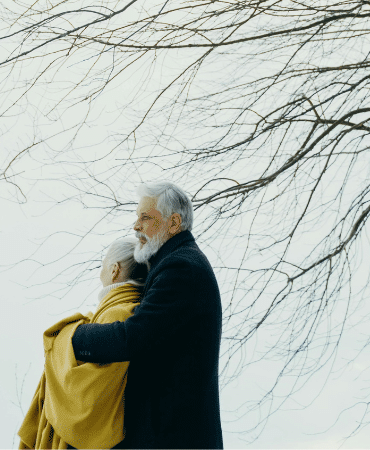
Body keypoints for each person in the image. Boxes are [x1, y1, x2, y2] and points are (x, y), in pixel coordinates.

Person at [72, 181, 223, 449]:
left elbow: (134, 337)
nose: (136, 226)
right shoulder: (176, 263)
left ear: (173, 223)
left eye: (145, 217)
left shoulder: (181, 268)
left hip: (173, 438)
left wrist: (75, 336)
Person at [18, 238, 148, 450]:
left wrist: (64, 338)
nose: (101, 272)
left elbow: (89, 396)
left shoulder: (119, 313)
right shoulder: (130, 311)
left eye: (103, 264)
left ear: (115, 270)